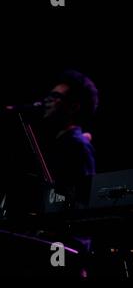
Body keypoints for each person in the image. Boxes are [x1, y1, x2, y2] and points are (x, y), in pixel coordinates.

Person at [40, 69, 99, 209]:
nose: (47, 100)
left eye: (55, 96)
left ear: (73, 107)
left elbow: (85, 200)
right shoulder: (58, 142)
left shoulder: (79, 146)